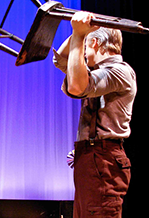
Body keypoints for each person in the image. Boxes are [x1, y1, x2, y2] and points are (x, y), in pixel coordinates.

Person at [53, 12, 136, 218]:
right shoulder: (97, 70)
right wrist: (78, 33)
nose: (82, 53)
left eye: (86, 47)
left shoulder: (119, 71)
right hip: (92, 156)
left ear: (97, 43)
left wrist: (80, 36)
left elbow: (77, 86)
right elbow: (60, 60)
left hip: (104, 159)